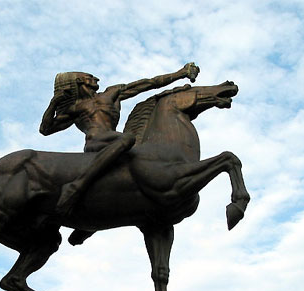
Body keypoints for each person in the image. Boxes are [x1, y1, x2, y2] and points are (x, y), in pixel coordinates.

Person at [40, 63, 200, 225]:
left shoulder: (112, 93)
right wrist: (54, 103)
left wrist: (180, 73)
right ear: (80, 82)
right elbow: (46, 129)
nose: (96, 79)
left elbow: (149, 83)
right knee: (128, 139)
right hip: (97, 142)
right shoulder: (75, 108)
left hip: (115, 141)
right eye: (90, 77)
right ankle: (77, 186)